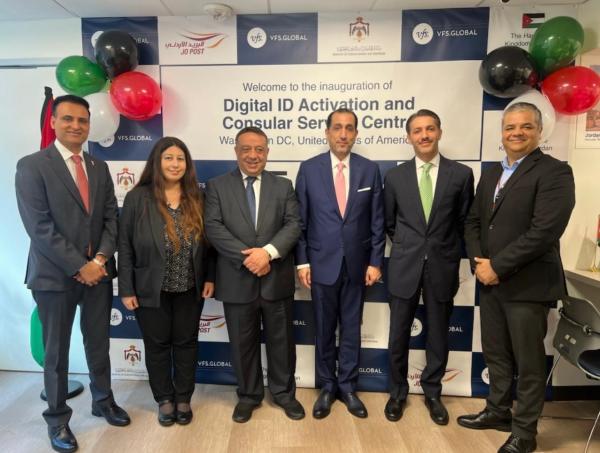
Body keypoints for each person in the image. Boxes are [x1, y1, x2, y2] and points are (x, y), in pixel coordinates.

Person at [458, 102, 575, 453]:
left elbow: (544, 231)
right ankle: (497, 411)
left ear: (539, 131)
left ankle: (525, 433)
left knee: (528, 362)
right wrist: (480, 263)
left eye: (525, 126)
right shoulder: (492, 173)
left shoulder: (555, 172)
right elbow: (473, 222)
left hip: (528, 285)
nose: (517, 133)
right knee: (496, 353)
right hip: (490, 282)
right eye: (510, 127)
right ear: (502, 132)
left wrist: (498, 266)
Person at [15, 95, 129, 453]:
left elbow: (110, 218)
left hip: (98, 272)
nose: (76, 126)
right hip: (54, 277)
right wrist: (80, 266)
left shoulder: (98, 167)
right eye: (68, 119)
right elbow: (39, 227)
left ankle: (103, 400)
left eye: (82, 120)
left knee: (98, 343)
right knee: (56, 352)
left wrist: (99, 259)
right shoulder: (32, 166)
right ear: (53, 122)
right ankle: (57, 419)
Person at [204, 126, 304, 423]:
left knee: (281, 342)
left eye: (259, 149)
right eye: (246, 149)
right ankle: (248, 395)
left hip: (276, 278)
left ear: (267, 153)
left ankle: (284, 394)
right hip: (237, 279)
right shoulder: (217, 186)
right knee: (241, 343)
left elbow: (293, 224)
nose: (253, 155)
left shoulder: (283, 186)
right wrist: (249, 258)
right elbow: (213, 228)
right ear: (236, 151)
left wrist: (268, 253)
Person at [383, 109, 474, 424]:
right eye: (417, 130)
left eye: (430, 129)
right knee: (398, 334)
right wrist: (410, 245)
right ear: (409, 137)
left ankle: (433, 393)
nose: (424, 135)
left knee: (438, 336)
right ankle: (397, 393)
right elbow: (390, 223)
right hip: (404, 266)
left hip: (442, 266)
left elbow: (464, 222)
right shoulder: (395, 177)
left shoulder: (461, 175)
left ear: (439, 132)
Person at [118, 137, 215, 427]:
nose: (175, 164)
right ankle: (164, 399)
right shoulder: (138, 198)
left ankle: (183, 398)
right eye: (168, 158)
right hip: (150, 289)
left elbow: (210, 244)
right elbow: (125, 246)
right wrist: (126, 288)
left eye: (180, 159)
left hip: (190, 287)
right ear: (157, 162)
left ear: (187, 164)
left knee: (186, 343)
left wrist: (210, 276)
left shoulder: (198, 197)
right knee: (157, 345)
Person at [295, 108, 385, 419]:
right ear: (327, 132)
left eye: (349, 128)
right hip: (321, 263)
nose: (343, 134)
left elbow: (377, 220)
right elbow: (301, 221)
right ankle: (327, 386)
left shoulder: (369, 170)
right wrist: (302, 263)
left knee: (351, 329)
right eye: (337, 128)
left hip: (358, 265)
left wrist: (375, 261)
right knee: (323, 328)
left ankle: (347, 386)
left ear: (356, 133)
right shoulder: (309, 169)